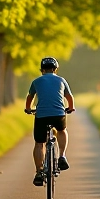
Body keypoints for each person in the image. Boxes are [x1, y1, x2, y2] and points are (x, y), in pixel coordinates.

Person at [24, 56, 74, 186]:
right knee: (62, 130)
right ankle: (62, 156)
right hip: (58, 114)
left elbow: (30, 97)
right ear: (55, 69)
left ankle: (39, 171)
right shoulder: (61, 80)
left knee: (39, 143)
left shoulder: (36, 81)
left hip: (41, 116)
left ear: (42, 70)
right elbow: (69, 97)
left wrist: (28, 109)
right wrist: (71, 108)